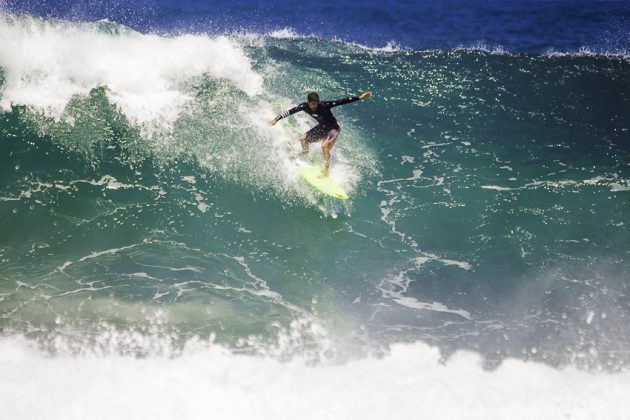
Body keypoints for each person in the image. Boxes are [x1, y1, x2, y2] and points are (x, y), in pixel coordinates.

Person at [268, 91, 372, 177]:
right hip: (322, 127)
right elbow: (290, 111)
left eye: (316, 103)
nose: (314, 106)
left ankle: (326, 172)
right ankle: (305, 153)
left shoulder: (324, 105)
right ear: (308, 102)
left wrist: (359, 98)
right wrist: (276, 119)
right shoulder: (304, 106)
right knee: (303, 138)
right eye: (313, 104)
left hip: (333, 128)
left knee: (324, 146)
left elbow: (341, 101)